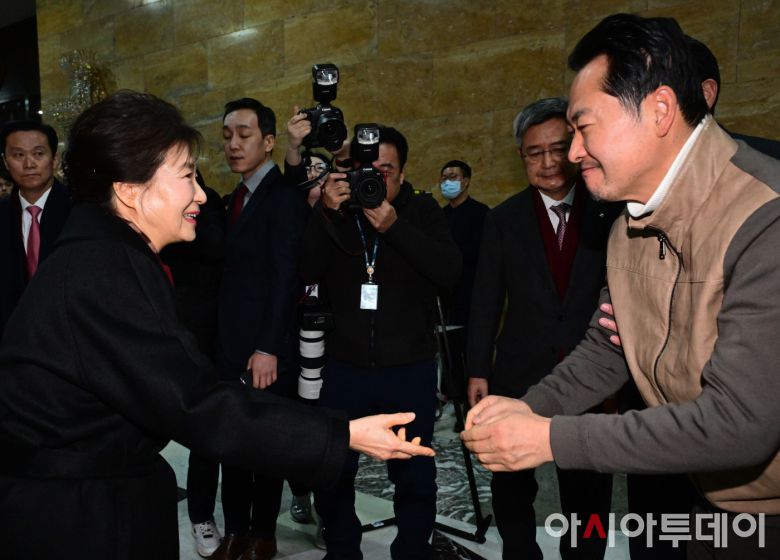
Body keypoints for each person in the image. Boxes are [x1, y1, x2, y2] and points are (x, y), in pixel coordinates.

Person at [0, 90, 434, 560]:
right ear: (129, 189)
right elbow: (195, 404)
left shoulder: (107, 253)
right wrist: (341, 435)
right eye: (187, 176)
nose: (202, 194)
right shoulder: (101, 270)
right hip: (75, 517)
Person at [462, 13, 780, 558]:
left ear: (659, 110)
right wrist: (529, 410)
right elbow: (611, 344)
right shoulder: (628, 226)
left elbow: (740, 424)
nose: (573, 153)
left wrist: (549, 438)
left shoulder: (764, 220)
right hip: (702, 490)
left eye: (584, 128)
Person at [299, 125, 462, 560]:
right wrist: (326, 213)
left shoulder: (422, 210)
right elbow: (306, 270)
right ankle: (341, 549)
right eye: (365, 169)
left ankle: (411, 550)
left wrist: (394, 227)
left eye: (385, 171)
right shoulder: (338, 211)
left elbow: (449, 271)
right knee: (333, 468)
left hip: (408, 367)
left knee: (414, 473)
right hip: (345, 366)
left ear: (402, 174)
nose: (373, 179)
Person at [467, 98, 619, 560]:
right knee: (511, 484)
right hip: (520, 372)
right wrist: (477, 370)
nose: (549, 162)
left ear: (576, 147)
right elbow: (486, 300)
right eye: (536, 152)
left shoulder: (609, 210)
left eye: (557, 148)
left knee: (587, 489)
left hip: (592, 376)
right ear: (522, 156)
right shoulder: (503, 219)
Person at [215, 97, 308, 560]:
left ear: (269, 141)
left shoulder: (283, 196)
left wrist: (269, 346)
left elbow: (286, 276)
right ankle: (235, 530)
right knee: (232, 438)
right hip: (231, 344)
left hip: (267, 347)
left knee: (267, 441)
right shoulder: (233, 197)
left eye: (244, 135)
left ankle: (263, 534)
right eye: (227, 136)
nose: (233, 144)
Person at [160, 170, 226, 557]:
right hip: (166, 332)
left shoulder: (209, 203)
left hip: (211, 334)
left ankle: (202, 516)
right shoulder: (155, 205)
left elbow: (215, 248)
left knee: (208, 429)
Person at [0, 120, 70, 336]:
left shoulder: (80, 211)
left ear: (55, 159)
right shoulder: (2, 213)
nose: (29, 164)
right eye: (18, 155)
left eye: (38, 154)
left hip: (69, 336)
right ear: (5, 161)